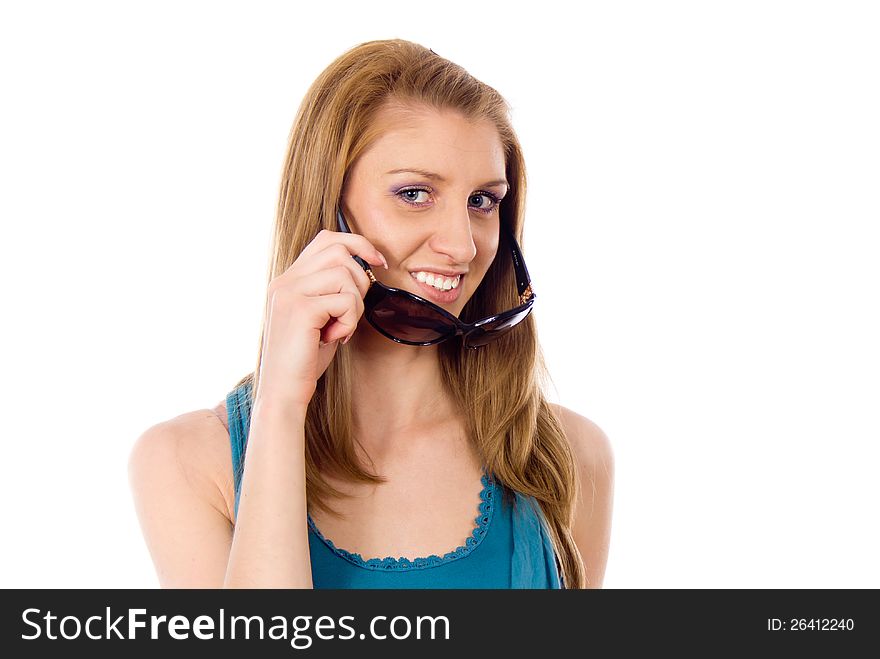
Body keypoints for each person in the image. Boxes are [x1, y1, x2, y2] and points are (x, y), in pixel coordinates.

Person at [128, 38, 614, 589]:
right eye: (414, 193)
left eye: (483, 201)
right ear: (327, 208)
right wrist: (282, 404)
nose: (462, 245)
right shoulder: (190, 461)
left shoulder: (568, 455)